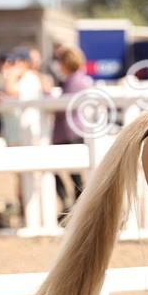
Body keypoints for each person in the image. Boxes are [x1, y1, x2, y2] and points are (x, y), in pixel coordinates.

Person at [52, 46, 91, 214]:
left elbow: (62, 107)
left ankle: (75, 208)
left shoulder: (72, 81)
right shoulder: (79, 79)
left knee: (71, 176)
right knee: (74, 176)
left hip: (68, 132)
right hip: (73, 130)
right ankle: (76, 208)